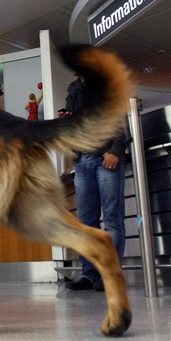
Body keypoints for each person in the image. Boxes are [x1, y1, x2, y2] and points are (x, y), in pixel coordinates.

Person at [59, 74, 128, 291]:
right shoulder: (73, 92)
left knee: (112, 219)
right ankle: (89, 275)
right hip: (83, 161)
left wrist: (115, 150)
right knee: (87, 222)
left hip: (105, 158)